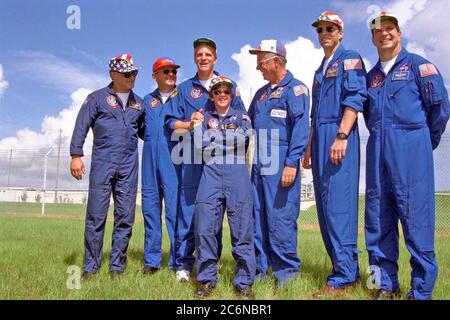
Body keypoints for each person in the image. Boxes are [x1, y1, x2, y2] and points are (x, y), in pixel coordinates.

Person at [364, 12, 450, 300]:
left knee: (417, 223)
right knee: (377, 220)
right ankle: (383, 285)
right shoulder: (371, 78)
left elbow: (439, 109)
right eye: (378, 31)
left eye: (390, 29)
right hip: (377, 152)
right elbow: (369, 118)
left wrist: (424, 141)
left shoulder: (419, 66)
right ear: (373, 38)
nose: (384, 34)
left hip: (412, 150)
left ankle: (421, 291)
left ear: (399, 33)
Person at [166, 38, 246, 282]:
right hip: (192, 155)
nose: (203, 58)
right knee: (190, 209)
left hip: (221, 159)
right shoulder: (183, 88)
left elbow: (241, 115)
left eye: (208, 54)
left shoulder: (228, 85)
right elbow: (170, 123)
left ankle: (212, 262)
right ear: (194, 58)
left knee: (216, 211)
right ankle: (183, 263)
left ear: (215, 58)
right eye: (199, 54)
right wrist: (190, 124)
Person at [301, 12, 367, 298]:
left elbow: (354, 98)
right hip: (320, 137)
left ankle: (344, 277)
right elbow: (315, 115)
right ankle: (342, 271)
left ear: (340, 32)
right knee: (326, 209)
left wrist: (341, 135)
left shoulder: (350, 58)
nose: (325, 32)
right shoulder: (320, 69)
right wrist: (308, 147)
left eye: (331, 28)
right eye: (321, 29)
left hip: (339, 134)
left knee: (339, 207)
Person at [70, 53, 144, 279]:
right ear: (113, 74)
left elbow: (146, 133)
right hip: (103, 163)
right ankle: (91, 268)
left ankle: (117, 268)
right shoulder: (96, 98)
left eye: (134, 73)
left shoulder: (138, 103)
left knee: (125, 216)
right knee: (96, 215)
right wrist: (76, 155)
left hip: (129, 165)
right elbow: (81, 126)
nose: (132, 77)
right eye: (127, 73)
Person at [248, 40, 310, 287]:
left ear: (275, 61)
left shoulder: (296, 90)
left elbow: (301, 129)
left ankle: (286, 275)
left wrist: (291, 163)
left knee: (281, 218)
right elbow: (247, 120)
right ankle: (260, 271)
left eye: (261, 62)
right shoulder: (261, 94)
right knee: (258, 217)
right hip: (258, 163)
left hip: (281, 160)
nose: (257, 67)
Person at [192, 76, 255, 299]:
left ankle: (244, 282)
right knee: (205, 228)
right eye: (217, 91)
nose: (221, 95)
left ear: (232, 94)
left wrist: (214, 139)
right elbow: (199, 144)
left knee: (242, 230)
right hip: (210, 175)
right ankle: (206, 280)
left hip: (237, 175)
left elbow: (244, 139)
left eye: (226, 92)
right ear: (211, 95)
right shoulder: (202, 117)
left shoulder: (241, 117)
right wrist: (226, 138)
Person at [141, 57, 181, 274]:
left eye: (173, 71)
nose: (171, 75)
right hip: (149, 164)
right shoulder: (146, 101)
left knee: (175, 213)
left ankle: (177, 262)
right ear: (154, 75)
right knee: (150, 211)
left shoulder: (181, 98)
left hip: (174, 163)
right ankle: (152, 262)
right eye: (165, 71)